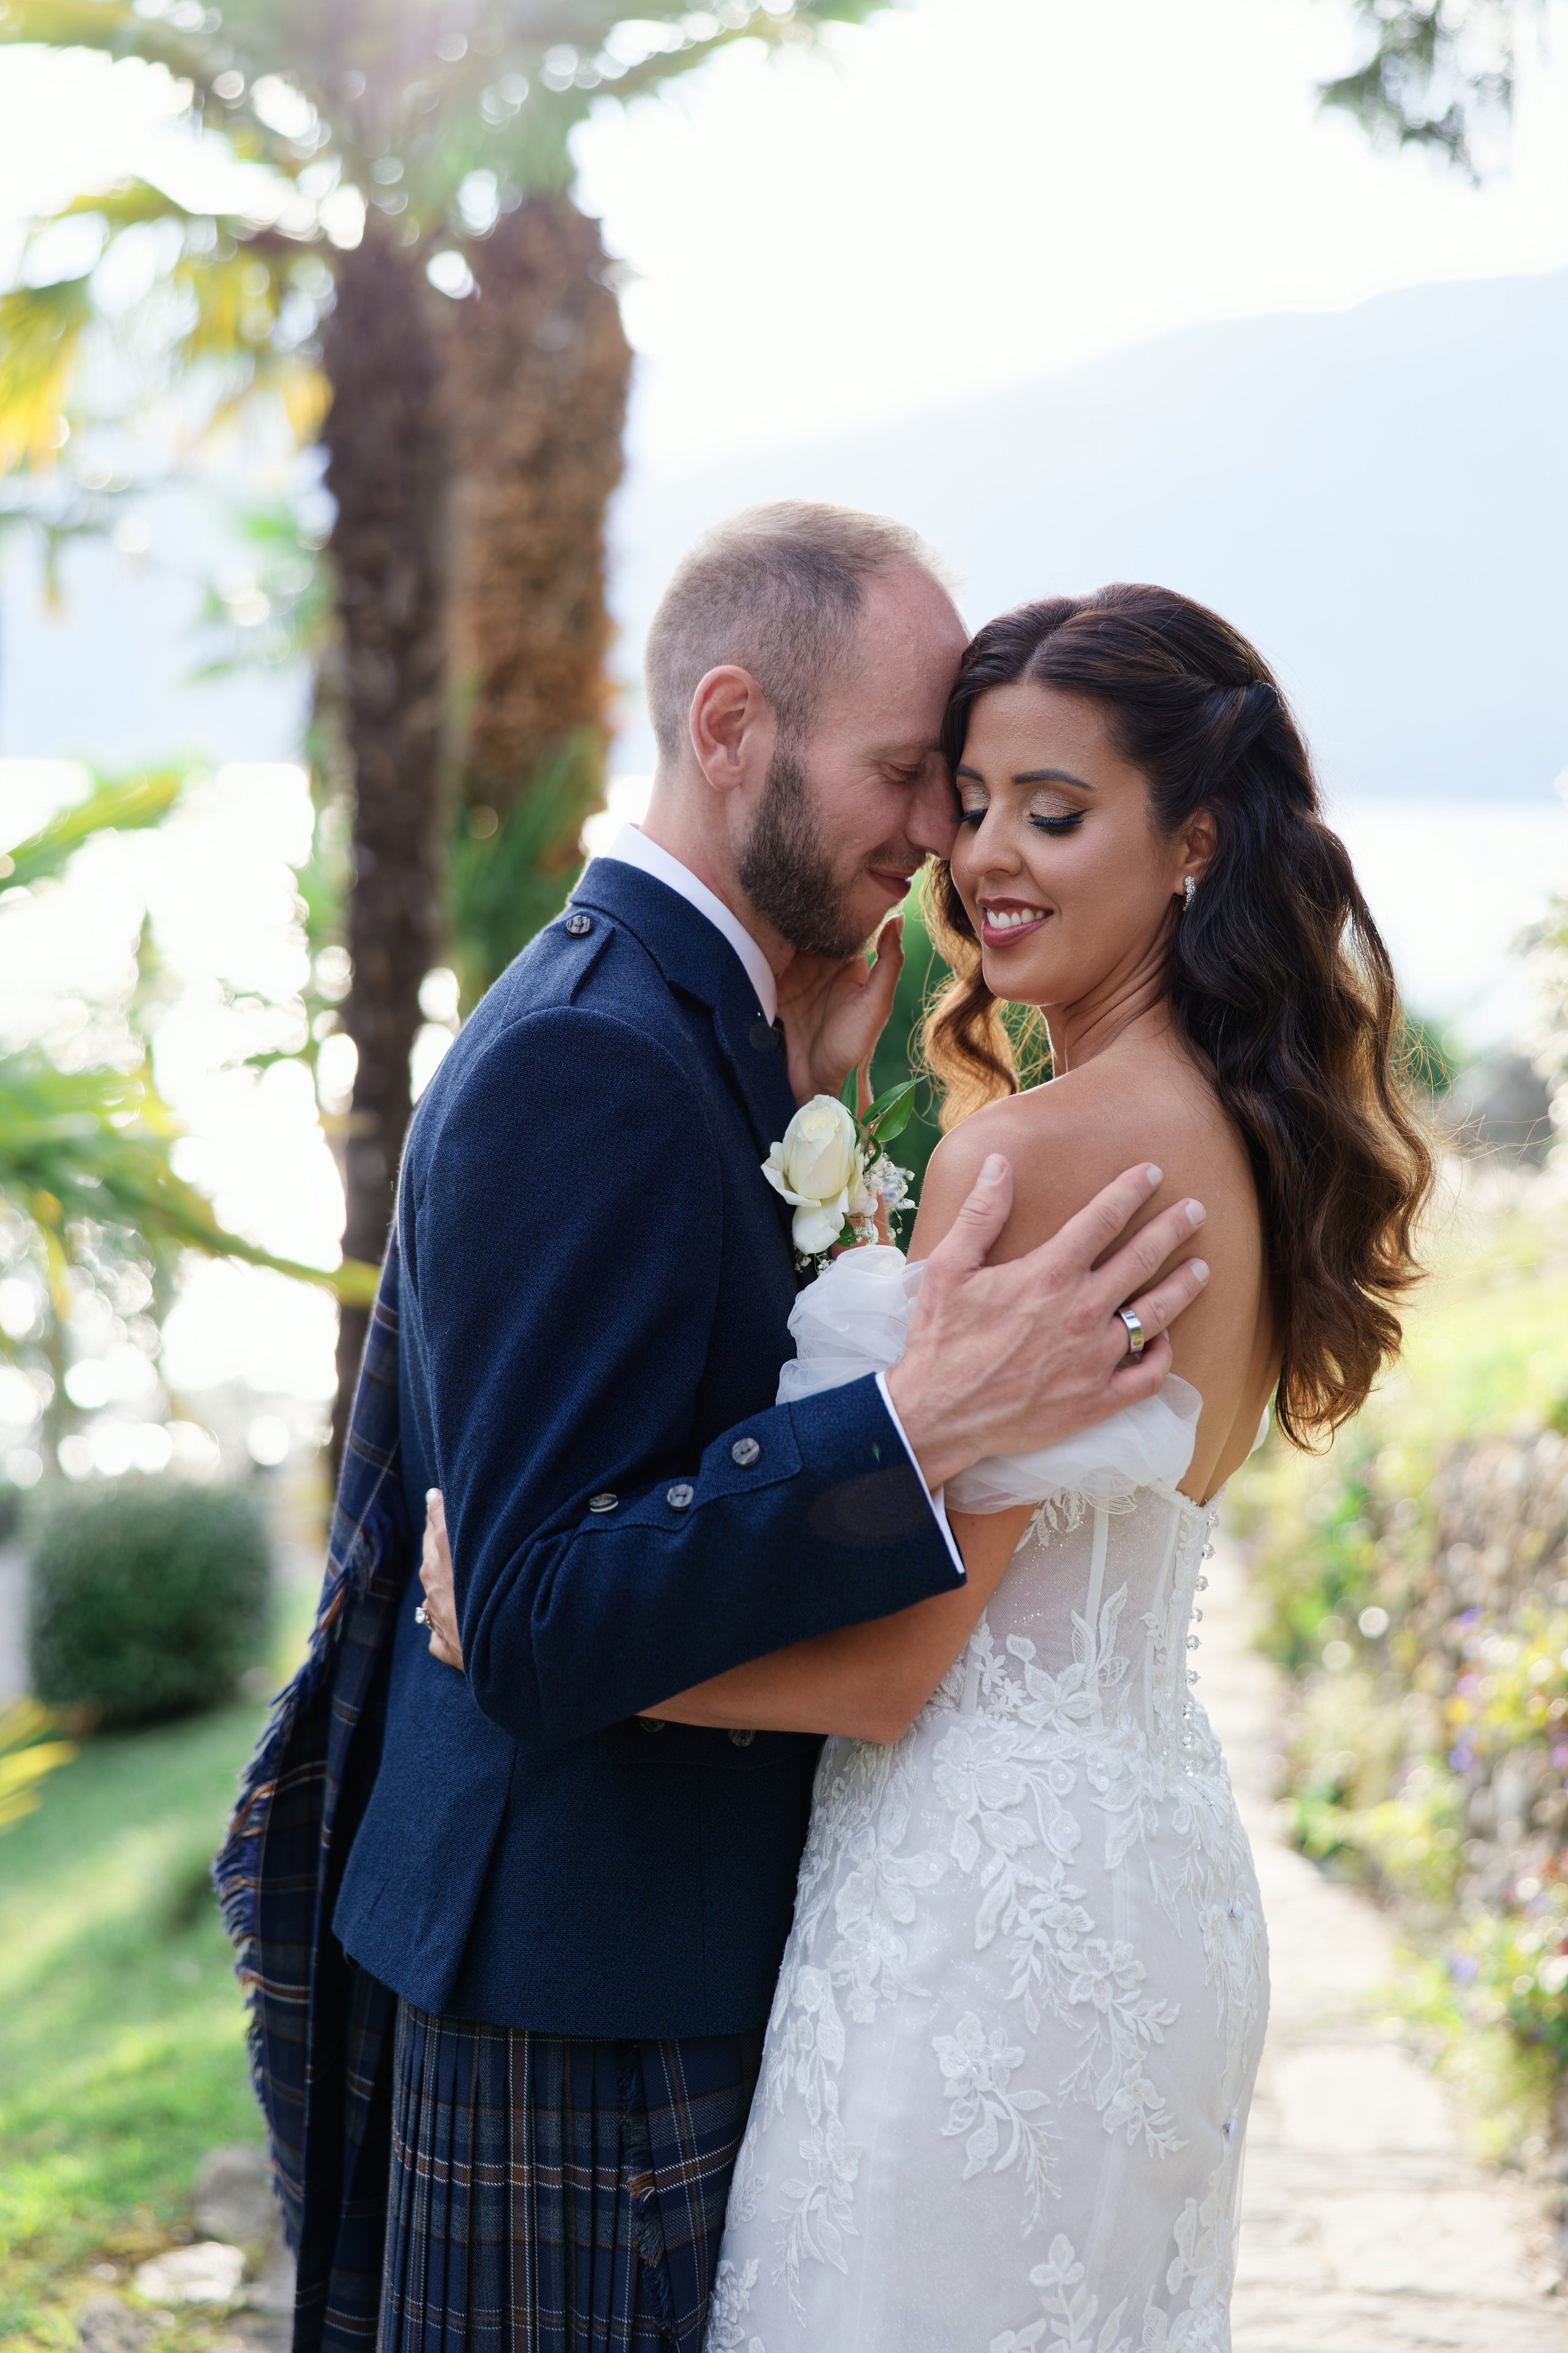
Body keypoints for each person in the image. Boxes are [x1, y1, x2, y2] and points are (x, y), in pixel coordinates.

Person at [420, 583, 1433, 2351]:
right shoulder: (1246, 1134)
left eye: (1055, 810)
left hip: (976, 1911)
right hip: (1148, 1878)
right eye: (967, 801)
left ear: (1195, 841)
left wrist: (513, 1635)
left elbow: (892, 1671)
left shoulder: (1037, 1157)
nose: (981, 858)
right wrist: (821, 1093)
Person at [251, 505, 1209, 2353]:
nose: (938, 838)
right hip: (578, 2000)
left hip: (636, 1967)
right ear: (730, 727)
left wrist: (808, 1107)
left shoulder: (706, 1028)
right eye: (907, 774)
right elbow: (534, 1617)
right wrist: (915, 1418)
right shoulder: (592, 1052)